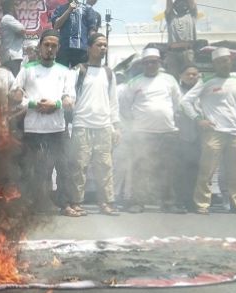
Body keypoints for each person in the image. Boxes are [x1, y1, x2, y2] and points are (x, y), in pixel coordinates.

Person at [181, 48, 236, 215]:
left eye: (227, 60)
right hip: (213, 132)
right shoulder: (206, 81)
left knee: (235, 172)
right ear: (215, 64)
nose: (224, 64)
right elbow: (185, 102)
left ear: (231, 62)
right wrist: (198, 119)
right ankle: (202, 204)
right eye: (220, 61)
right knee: (207, 170)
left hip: (235, 133)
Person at [11, 30, 79, 216]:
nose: (50, 49)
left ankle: (64, 204)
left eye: (54, 46)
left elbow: (70, 100)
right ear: (40, 46)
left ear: (58, 48)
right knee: (29, 168)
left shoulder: (65, 72)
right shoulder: (27, 69)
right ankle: (28, 204)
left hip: (57, 128)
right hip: (33, 128)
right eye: (46, 45)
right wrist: (32, 103)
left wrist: (55, 104)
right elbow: (15, 95)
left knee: (63, 166)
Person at [120, 48, 185, 213]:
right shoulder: (135, 82)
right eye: (147, 62)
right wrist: (136, 122)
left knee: (168, 168)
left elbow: (178, 103)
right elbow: (125, 107)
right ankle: (137, 202)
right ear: (143, 64)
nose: (150, 65)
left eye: (154, 62)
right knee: (140, 168)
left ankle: (169, 203)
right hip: (142, 133)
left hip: (167, 131)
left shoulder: (169, 80)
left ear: (159, 63)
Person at [69, 33, 120, 216]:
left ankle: (106, 203)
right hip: (82, 125)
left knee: (105, 167)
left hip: (104, 127)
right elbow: (70, 97)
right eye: (99, 45)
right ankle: (76, 203)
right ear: (89, 48)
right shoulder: (78, 70)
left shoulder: (109, 72)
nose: (103, 48)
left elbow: (113, 101)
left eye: (105, 45)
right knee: (79, 167)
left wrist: (116, 126)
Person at [174, 64, 202, 211]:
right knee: (180, 170)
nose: (191, 77)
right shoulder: (176, 90)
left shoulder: (203, 91)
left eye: (194, 74)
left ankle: (191, 200)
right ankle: (179, 201)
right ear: (181, 75)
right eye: (188, 74)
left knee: (194, 170)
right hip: (180, 134)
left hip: (198, 136)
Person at [50, 0, 100, 68]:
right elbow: (56, 25)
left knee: (81, 73)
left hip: (82, 49)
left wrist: (95, 45)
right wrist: (69, 10)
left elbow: (92, 30)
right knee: (62, 72)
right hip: (64, 48)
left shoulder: (87, 9)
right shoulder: (60, 8)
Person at [164, 0, 197, 76]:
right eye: (178, 3)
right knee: (173, 77)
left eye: (183, 3)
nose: (181, 5)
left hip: (187, 52)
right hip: (172, 53)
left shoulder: (192, 15)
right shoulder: (171, 17)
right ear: (174, 7)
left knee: (189, 75)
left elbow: (192, 3)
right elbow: (169, 5)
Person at [0, 0, 25, 76]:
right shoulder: (8, 18)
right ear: (11, 7)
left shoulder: (7, 18)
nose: (16, 8)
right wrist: (20, 34)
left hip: (11, 57)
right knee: (13, 82)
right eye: (15, 5)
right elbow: (22, 30)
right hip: (12, 56)